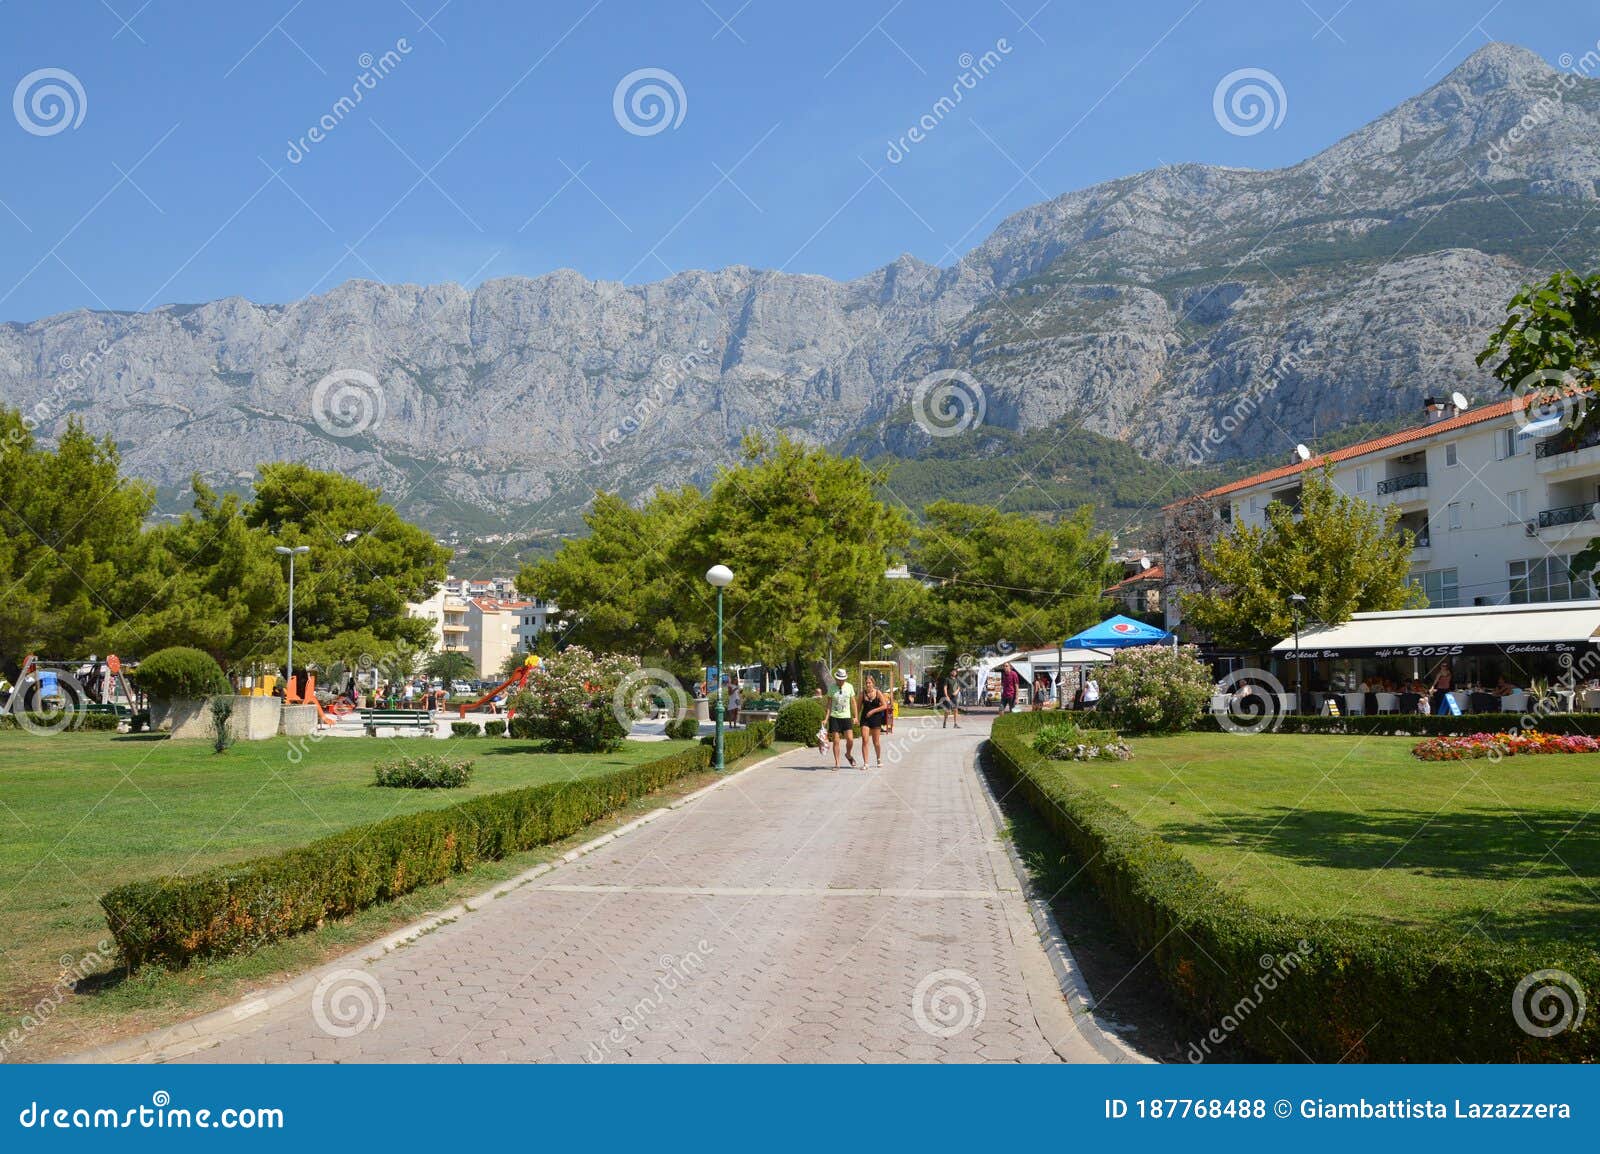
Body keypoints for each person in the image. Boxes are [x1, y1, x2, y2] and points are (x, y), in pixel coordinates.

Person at [825, 668, 859, 769]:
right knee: (836, 741)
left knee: (850, 740)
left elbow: (853, 702)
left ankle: (848, 754)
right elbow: (829, 704)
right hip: (835, 717)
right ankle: (837, 763)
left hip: (846, 717)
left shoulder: (849, 687)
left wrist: (856, 716)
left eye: (843, 679)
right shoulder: (831, 688)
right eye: (839, 679)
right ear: (836, 679)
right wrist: (826, 718)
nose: (841, 681)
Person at [859, 676, 891, 768]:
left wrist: (873, 711)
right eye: (866, 683)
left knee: (876, 742)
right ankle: (866, 763)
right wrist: (856, 717)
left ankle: (878, 759)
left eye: (870, 683)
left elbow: (885, 706)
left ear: (873, 683)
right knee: (865, 740)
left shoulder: (878, 693)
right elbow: (858, 707)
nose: (868, 684)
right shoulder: (862, 694)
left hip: (876, 719)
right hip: (865, 719)